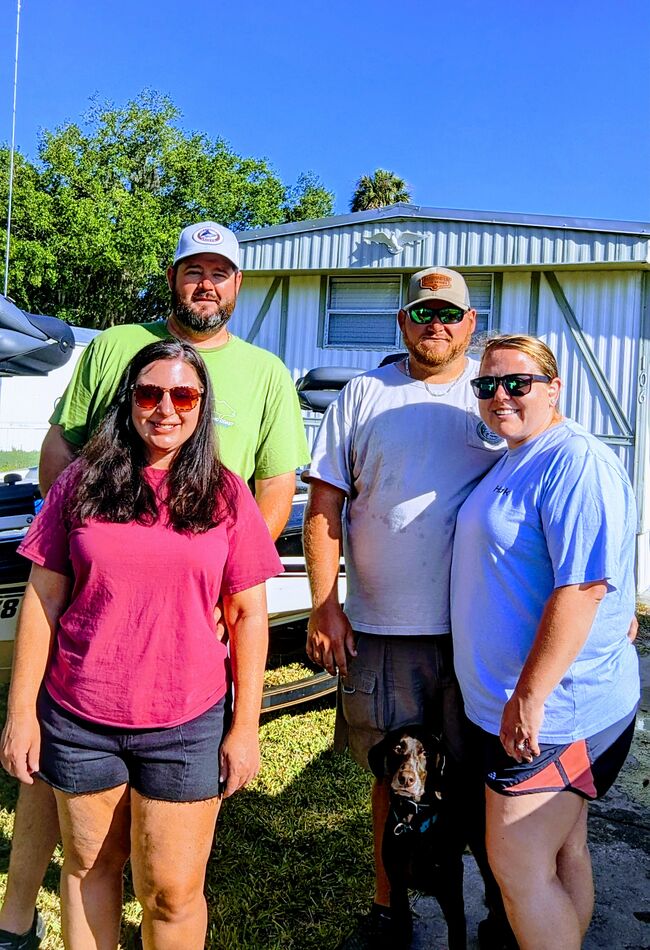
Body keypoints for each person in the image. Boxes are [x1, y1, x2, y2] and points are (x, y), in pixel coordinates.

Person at [0, 222, 309, 950]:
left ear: (238, 285)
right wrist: (82, 549)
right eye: (148, 395)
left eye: (221, 273)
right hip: (84, 691)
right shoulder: (107, 368)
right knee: (88, 865)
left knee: (172, 889)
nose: (165, 407)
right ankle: (16, 917)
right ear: (171, 278)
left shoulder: (256, 400)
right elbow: (48, 574)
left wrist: (241, 709)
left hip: (186, 693)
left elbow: (270, 520)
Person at [303, 267, 512, 947]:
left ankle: (499, 909)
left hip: (477, 631)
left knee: (485, 777)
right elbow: (326, 504)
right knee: (394, 778)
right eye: (423, 314)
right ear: (403, 322)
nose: (436, 326)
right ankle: (389, 910)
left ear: (470, 323)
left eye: (449, 314)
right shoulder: (364, 394)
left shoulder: (493, 395)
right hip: (382, 627)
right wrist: (325, 604)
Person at [450, 335, 640, 950]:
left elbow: (583, 586)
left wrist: (529, 698)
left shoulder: (573, 459)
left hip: (553, 714)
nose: (499, 395)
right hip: (520, 705)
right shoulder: (516, 454)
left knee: (519, 869)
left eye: (517, 382)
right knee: (565, 849)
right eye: (486, 385)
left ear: (554, 388)